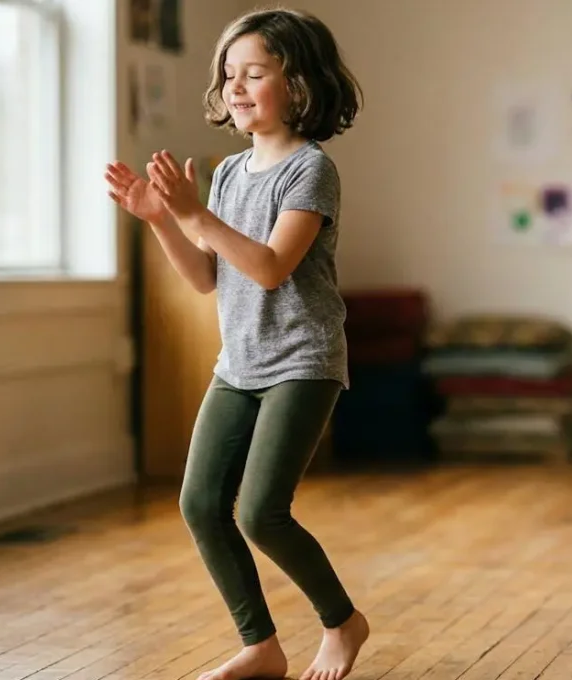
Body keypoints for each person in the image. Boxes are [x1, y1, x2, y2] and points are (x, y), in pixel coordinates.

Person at [103, 8, 367, 680]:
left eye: (256, 73)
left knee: (260, 511)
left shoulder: (311, 171)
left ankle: (343, 623)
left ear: (300, 85)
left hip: (302, 362)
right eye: (229, 75)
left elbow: (271, 267)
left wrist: (194, 215)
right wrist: (164, 219)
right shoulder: (224, 175)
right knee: (199, 504)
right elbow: (203, 279)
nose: (237, 88)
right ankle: (261, 646)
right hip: (239, 364)